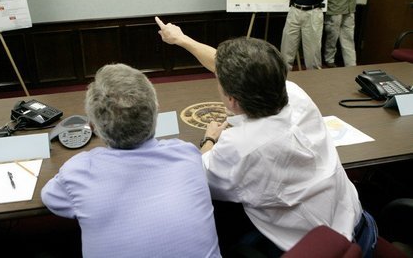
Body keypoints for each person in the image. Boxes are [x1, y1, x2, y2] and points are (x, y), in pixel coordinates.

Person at [155, 16, 377, 258]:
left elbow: (197, 177)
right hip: (361, 227)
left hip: (313, 249)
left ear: (232, 101)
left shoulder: (242, 147)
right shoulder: (295, 95)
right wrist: (182, 39)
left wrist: (209, 140)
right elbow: (224, 63)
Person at [41, 63, 221, 257]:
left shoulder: (77, 172)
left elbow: (49, 197)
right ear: (156, 112)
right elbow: (201, 159)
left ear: (92, 126)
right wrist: (209, 139)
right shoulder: (186, 154)